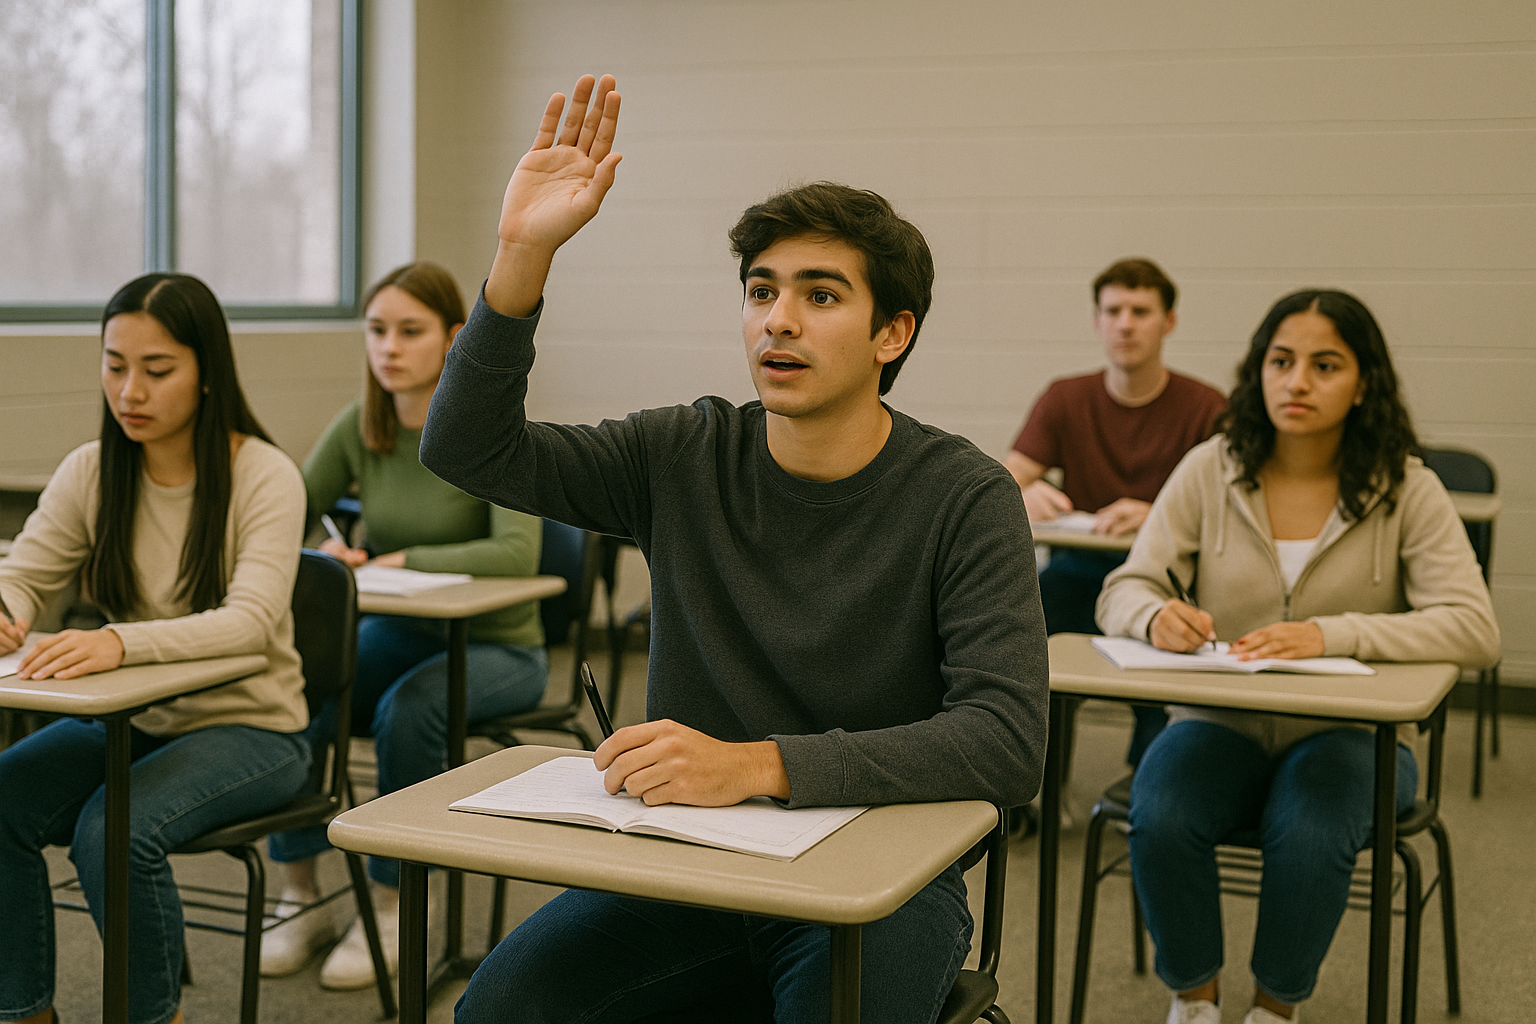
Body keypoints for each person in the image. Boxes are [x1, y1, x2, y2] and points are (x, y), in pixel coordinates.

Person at [417, 75, 1046, 1023]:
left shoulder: (964, 497)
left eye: (820, 295)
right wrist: (521, 254)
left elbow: (1005, 741)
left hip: (880, 879)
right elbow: (469, 449)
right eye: (761, 292)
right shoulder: (684, 452)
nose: (778, 320)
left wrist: (756, 766)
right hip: (682, 865)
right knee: (496, 1013)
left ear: (893, 332)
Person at [1096, 289, 1499, 1024]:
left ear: (1364, 382)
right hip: (1223, 719)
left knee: (1311, 828)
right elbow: (1124, 586)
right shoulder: (1209, 468)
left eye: (1325, 364)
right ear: (1258, 372)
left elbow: (1474, 628)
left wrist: (1333, 633)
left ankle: (1274, 1010)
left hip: (1352, 736)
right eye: (1281, 362)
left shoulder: (1408, 487)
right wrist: (1156, 617)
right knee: (1160, 809)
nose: (1297, 382)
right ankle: (1195, 999)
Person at [0, 273, 312, 1024]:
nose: (130, 390)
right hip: (134, 722)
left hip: (255, 730)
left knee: (114, 832)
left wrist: (116, 642)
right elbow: (26, 576)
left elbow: (250, 622)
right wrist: (6, 607)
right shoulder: (92, 469)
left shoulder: (263, 474)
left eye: (157, 369)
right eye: (114, 365)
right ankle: (23, 1013)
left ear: (207, 371)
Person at [259, 262, 549, 988]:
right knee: (301, 682)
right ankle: (301, 896)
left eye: (409, 331)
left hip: (500, 647)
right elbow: (274, 519)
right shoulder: (361, 427)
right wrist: (322, 557)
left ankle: (392, 907)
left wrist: (395, 555)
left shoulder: (494, 426)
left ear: (455, 339)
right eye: (377, 330)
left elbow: (518, 553)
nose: (388, 347)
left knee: (409, 711)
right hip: (404, 634)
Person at [1005, 258, 1225, 766]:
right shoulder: (1066, 397)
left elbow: (1232, 509)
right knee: (1027, 630)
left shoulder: (1206, 406)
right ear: (1097, 321)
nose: (1125, 323)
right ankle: (1032, 788)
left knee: (1169, 651)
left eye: (1141, 311)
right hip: (1077, 573)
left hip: (1167, 581)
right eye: (1114, 310)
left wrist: (1156, 512)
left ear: (1168, 322)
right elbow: (1008, 476)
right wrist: (1024, 491)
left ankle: (1147, 782)